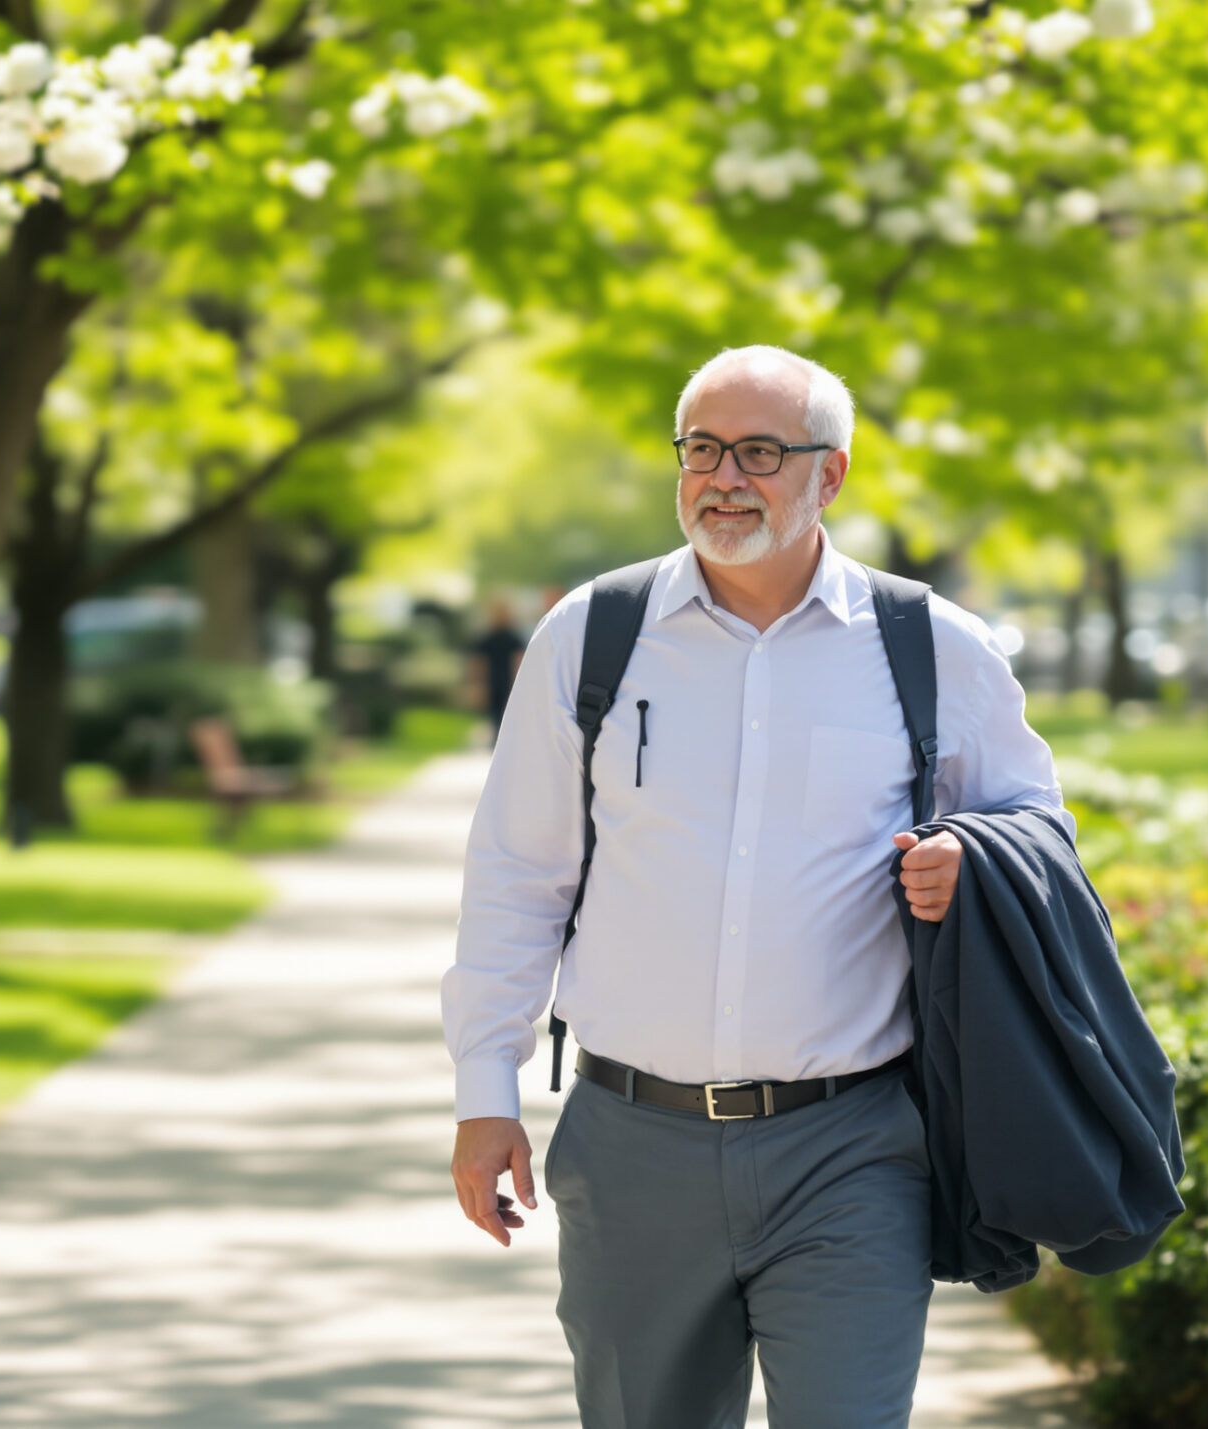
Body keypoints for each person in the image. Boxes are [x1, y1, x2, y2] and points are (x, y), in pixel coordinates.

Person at [441, 346, 1069, 1428]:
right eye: (700, 448)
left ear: (829, 476)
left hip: (852, 1150)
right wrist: (482, 1091)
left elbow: (1039, 826)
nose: (723, 476)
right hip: (630, 1142)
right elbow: (516, 874)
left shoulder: (933, 648)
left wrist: (972, 856)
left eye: (761, 452)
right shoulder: (590, 637)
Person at [467, 597, 528, 742]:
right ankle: (500, 741)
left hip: (504, 682)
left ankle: (501, 741)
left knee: (502, 715)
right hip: (496, 682)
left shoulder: (512, 638)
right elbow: (479, 663)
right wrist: (478, 684)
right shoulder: (492, 638)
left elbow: (518, 662)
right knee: (498, 715)